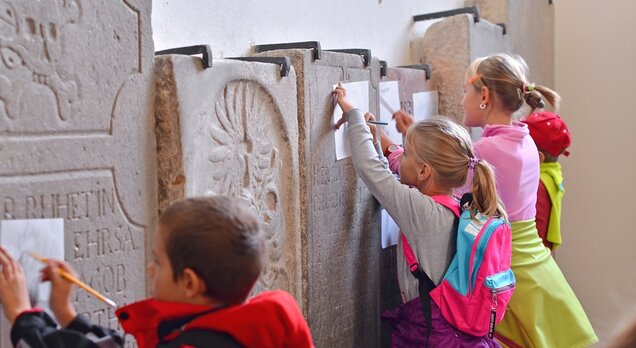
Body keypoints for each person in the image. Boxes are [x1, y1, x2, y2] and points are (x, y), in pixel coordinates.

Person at [0, 196, 314, 348]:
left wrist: (21, 315)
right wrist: (66, 314)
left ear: (189, 282)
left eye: (158, 261)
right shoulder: (234, 333)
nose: (151, 267)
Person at [333, 84, 505, 347]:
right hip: (451, 331)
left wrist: (353, 114)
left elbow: (373, 174)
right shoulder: (456, 206)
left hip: (430, 334)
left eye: (408, 154)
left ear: (424, 171)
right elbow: (389, 181)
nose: (401, 158)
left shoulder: (422, 212)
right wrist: (374, 139)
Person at [459, 53, 597, 348]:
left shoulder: (484, 150)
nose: (461, 101)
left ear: (484, 94)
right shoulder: (528, 143)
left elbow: (444, 195)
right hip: (539, 271)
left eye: (465, 91)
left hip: (509, 278)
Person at [521, 111, 572, 251]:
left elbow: (537, 230)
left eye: (521, 145)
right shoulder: (553, 172)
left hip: (535, 254)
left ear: (539, 157)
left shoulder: (538, 185)